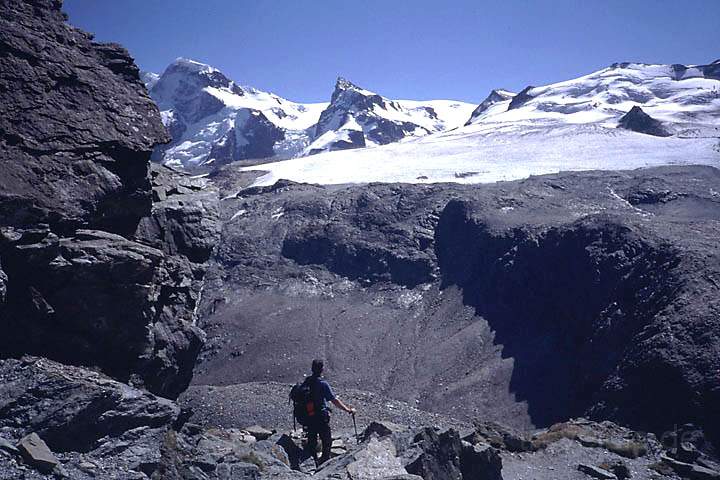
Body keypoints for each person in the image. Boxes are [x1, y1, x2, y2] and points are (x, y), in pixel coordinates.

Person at [304, 359, 355, 466]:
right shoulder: (323, 384)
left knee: (312, 440)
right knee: (327, 441)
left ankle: (311, 462)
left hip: (309, 415)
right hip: (320, 417)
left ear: (312, 368)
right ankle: (324, 464)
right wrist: (348, 410)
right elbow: (334, 400)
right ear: (322, 369)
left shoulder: (307, 381)